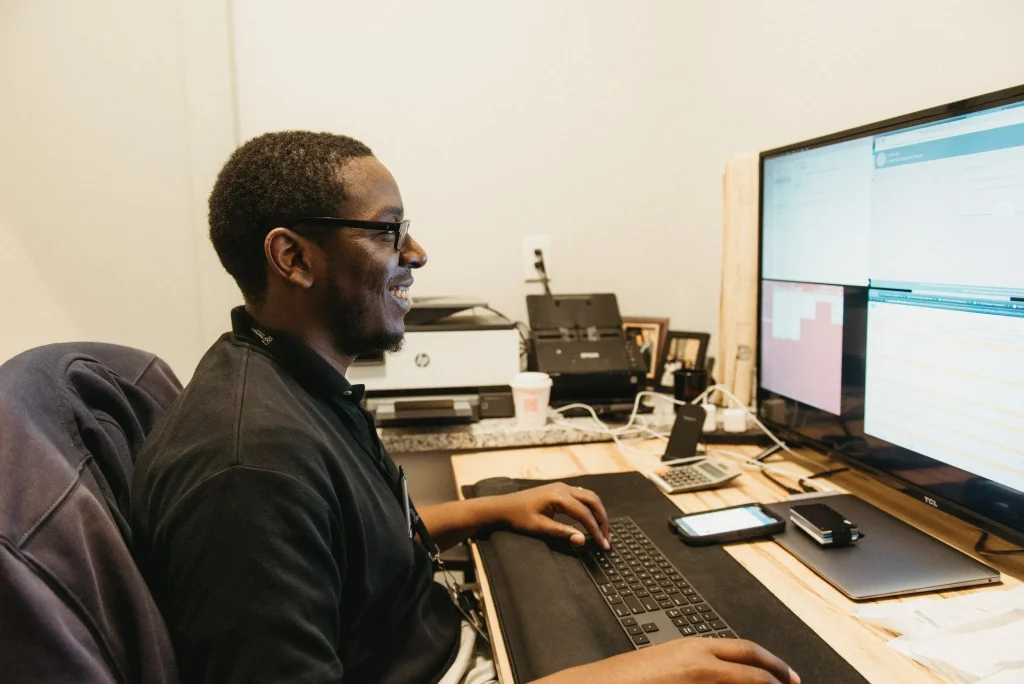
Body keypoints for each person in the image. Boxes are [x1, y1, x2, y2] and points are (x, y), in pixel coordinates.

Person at [131, 131, 800, 684]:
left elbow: (349, 543)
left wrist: (490, 509)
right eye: (389, 232)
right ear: (292, 257)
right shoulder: (249, 469)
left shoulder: (293, 385)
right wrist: (622, 677)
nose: (416, 254)